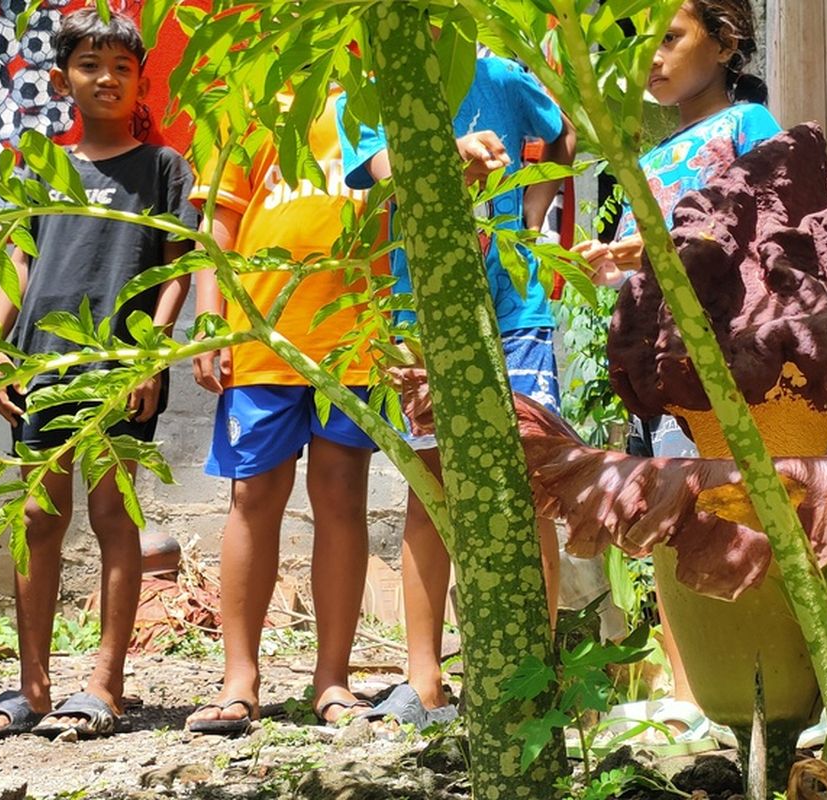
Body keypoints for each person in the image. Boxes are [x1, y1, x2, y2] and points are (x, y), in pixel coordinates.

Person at [0, 9, 197, 740]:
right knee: (37, 517)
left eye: (121, 68)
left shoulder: (164, 168)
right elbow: (20, 259)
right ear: (63, 77)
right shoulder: (44, 165)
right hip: (44, 360)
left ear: (139, 81)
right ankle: (30, 687)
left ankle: (105, 683)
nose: (106, 79)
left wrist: (153, 355)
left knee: (110, 516)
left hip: (119, 363)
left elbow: (175, 270)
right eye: (90, 66)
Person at [337, 50, 576, 728]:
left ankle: (535, 672)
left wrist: (533, 210)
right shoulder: (381, 76)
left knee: (530, 480)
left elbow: (559, 129)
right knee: (432, 485)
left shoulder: (499, 71)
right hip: (424, 309)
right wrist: (451, 154)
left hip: (514, 305)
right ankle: (424, 679)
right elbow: (383, 169)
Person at [573, 0, 781, 736]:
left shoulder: (748, 127)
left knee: (742, 506)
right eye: (638, 46)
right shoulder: (648, 157)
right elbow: (631, 255)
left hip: (730, 353)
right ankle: (693, 688)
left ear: (725, 43)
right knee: (673, 510)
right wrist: (607, 264)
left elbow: (767, 222)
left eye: (669, 39)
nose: (649, 60)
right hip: (658, 363)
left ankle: (768, 681)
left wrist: (655, 248)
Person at [183, 87, 389, 734]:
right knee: (254, 498)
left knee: (340, 496)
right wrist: (210, 318)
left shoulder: (375, 99)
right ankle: (239, 678)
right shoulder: (244, 102)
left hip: (353, 333)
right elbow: (217, 220)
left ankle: (333, 679)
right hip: (261, 333)